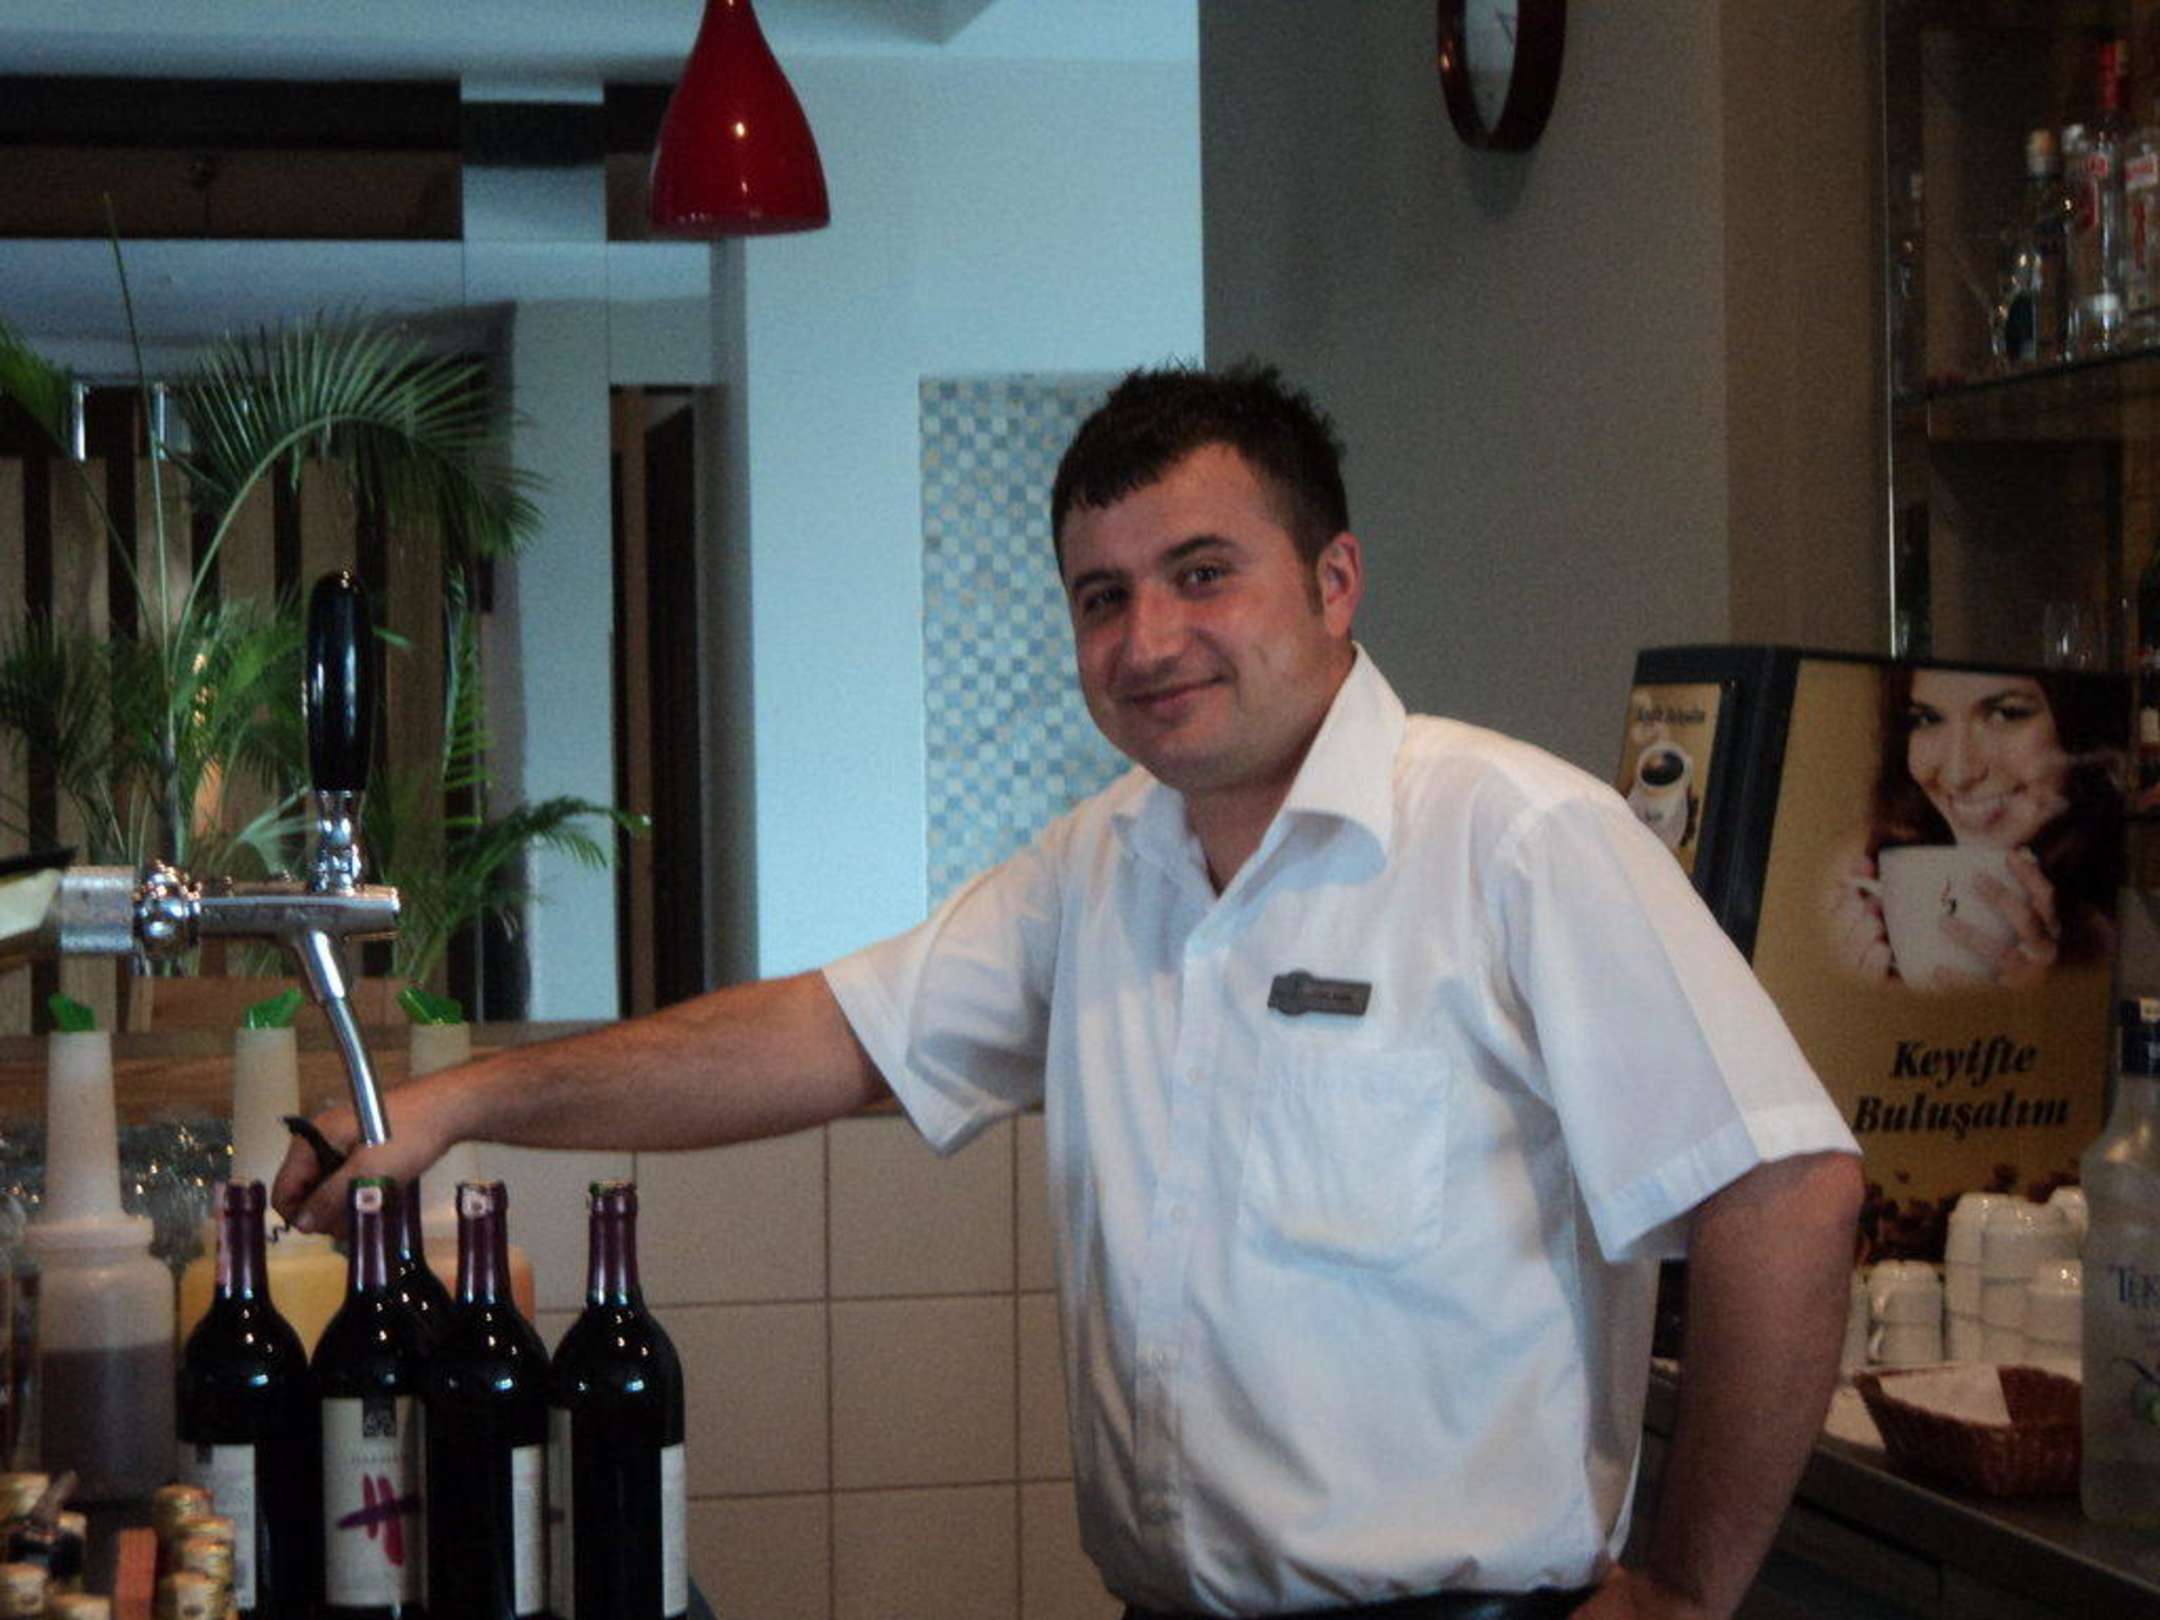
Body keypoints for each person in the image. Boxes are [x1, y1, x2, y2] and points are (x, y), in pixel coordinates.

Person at [276, 363, 1862, 1620]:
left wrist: (1678, 1592)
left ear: (1335, 582)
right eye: (1102, 597)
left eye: (1201, 574)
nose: (1148, 639)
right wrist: (459, 1101)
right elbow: (824, 1038)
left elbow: (1786, 1189)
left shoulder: (1515, 838)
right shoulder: (1099, 869)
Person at [1825, 663, 2122, 990]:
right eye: (1927, 719)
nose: (1958, 774)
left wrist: (2053, 1002)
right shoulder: (1866, 864)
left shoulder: (2133, 909)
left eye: (2006, 714)